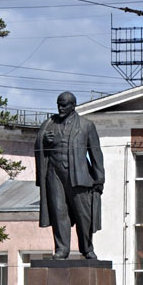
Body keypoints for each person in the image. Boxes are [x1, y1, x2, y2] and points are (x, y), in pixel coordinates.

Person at [34, 91, 105, 260]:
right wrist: (44, 141)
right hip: (54, 174)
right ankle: (62, 249)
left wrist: (99, 179)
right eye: (58, 104)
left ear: (73, 105)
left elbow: (96, 153)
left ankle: (87, 248)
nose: (60, 108)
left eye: (64, 105)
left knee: (84, 215)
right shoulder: (48, 125)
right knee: (59, 213)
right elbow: (38, 146)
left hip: (79, 177)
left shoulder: (86, 125)